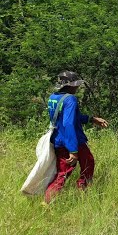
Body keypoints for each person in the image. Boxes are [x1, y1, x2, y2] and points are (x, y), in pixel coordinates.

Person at [45, 70, 108, 204]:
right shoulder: (70, 99)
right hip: (72, 141)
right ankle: (79, 191)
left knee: (76, 166)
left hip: (59, 139)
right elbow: (68, 123)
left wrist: (91, 119)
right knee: (76, 168)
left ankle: (79, 191)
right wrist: (73, 150)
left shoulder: (53, 97)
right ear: (70, 86)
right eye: (75, 85)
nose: (77, 87)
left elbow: (69, 117)